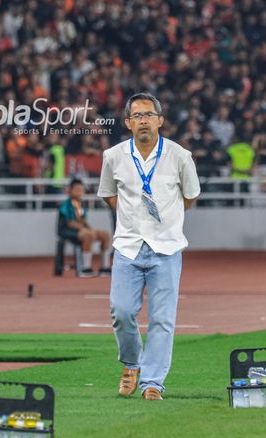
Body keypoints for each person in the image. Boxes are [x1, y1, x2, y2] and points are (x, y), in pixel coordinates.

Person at [97, 92, 201, 401]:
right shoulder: (113, 156)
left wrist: (167, 219)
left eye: (149, 115)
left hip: (166, 248)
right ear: (128, 123)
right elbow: (108, 194)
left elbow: (191, 195)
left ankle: (152, 382)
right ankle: (131, 363)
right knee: (122, 311)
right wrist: (133, 219)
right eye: (137, 116)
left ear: (160, 120)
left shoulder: (180, 156)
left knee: (162, 319)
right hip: (128, 246)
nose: (143, 120)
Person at [58, 179, 112, 278]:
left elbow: (82, 220)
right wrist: (85, 229)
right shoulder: (66, 204)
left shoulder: (81, 204)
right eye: (76, 189)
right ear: (70, 191)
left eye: (81, 189)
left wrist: (89, 228)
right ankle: (85, 268)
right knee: (89, 235)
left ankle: (105, 267)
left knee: (105, 235)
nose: (79, 191)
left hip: (82, 229)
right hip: (67, 231)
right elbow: (69, 222)